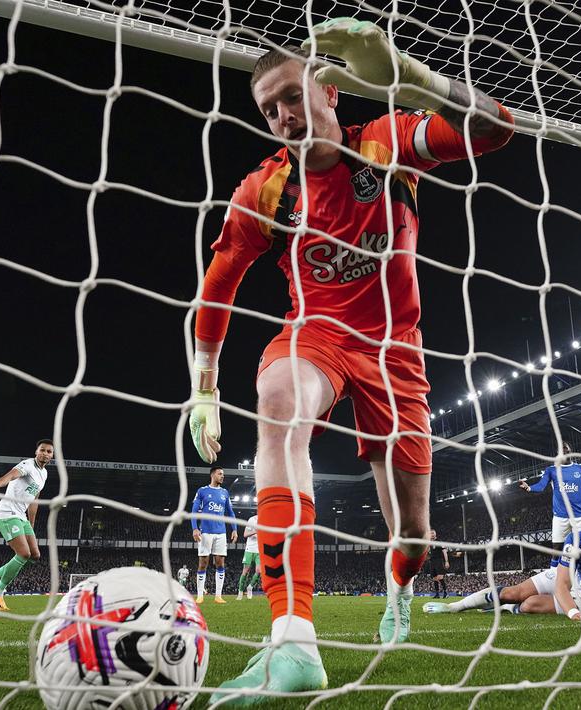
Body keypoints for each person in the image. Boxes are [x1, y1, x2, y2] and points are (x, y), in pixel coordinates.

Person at [188, 16, 513, 704]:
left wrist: (413, 79)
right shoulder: (264, 192)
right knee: (277, 406)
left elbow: (493, 129)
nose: (280, 115)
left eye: (289, 95)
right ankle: (293, 640)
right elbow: (215, 291)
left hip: (398, 356)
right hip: (316, 338)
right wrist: (203, 389)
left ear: (330, 91)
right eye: (267, 108)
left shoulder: (386, 143)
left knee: (415, 534)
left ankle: (397, 589)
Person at [422, 509, 581, 620]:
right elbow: (562, 583)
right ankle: (456, 606)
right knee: (513, 593)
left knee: (529, 605)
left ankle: (502, 610)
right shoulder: (577, 540)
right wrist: (573, 614)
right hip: (571, 577)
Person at [0, 439, 53, 612]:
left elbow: (34, 500)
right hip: (6, 513)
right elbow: (10, 475)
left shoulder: (44, 474)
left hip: (22, 517)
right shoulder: (27, 465)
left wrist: (31, 525)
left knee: (35, 555)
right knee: (23, 553)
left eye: (49, 451)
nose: (45, 453)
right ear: (36, 451)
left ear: (52, 456)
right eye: (42, 450)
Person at [520, 443, 581, 553]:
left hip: (579, 516)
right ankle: (555, 569)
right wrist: (529, 488)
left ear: (571, 452)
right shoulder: (551, 470)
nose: (565, 453)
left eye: (567, 450)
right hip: (560, 517)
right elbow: (541, 486)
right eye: (562, 451)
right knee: (557, 548)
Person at [191, 466, 239, 604]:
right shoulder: (202, 491)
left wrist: (234, 529)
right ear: (213, 475)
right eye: (220, 474)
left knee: (220, 562)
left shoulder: (225, 493)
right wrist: (195, 528)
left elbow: (231, 512)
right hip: (205, 532)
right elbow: (194, 511)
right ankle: (200, 595)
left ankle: (218, 595)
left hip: (221, 533)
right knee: (203, 563)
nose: (222, 476)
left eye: (223, 474)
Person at [238, 514, 261, 600]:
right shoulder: (252, 520)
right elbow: (245, 534)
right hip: (250, 549)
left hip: (259, 550)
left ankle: (250, 587)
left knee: (259, 571)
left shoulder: (266, 520)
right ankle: (240, 592)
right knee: (245, 571)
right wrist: (255, 531)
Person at [429, 529, 451, 599]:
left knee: (440, 577)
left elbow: (444, 551)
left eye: (433, 533)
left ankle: (446, 593)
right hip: (432, 562)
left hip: (439, 561)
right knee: (435, 578)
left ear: (435, 534)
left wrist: (446, 561)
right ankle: (437, 594)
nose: (432, 535)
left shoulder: (439, 542)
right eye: (431, 533)